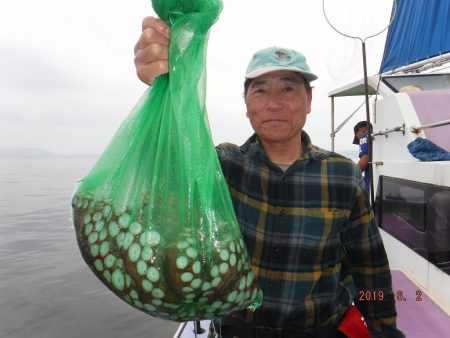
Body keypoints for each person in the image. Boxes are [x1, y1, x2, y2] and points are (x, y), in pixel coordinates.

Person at [134, 17, 404, 338]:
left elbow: (369, 270)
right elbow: (170, 159)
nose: (274, 102)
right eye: (260, 90)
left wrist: (385, 330)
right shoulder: (223, 165)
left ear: (309, 101)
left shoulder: (342, 175)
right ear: (247, 105)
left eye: (288, 88)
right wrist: (166, 85)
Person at [352, 121, 372, 193]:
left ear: (362, 130)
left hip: (370, 186)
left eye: (357, 136)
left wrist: (352, 176)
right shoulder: (375, 137)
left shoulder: (365, 136)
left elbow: (365, 160)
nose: (359, 139)